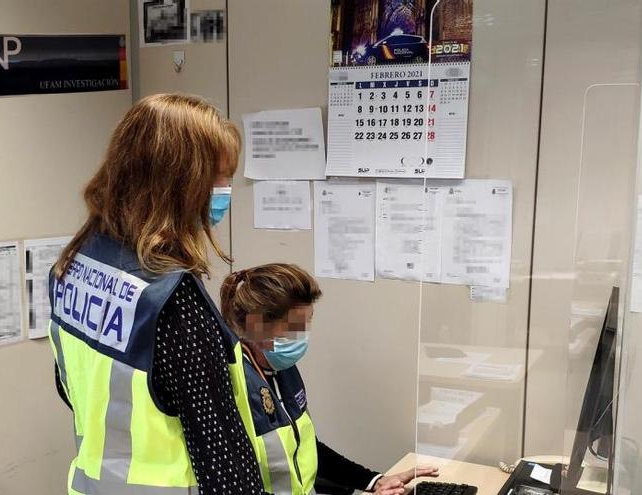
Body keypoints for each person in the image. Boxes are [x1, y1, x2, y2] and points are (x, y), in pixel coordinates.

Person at [48, 93, 266, 494]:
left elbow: (70, 388)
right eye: (218, 177)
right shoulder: (171, 298)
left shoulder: (72, 266)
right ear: (178, 183)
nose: (225, 190)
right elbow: (220, 452)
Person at [219, 263, 439, 495]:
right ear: (257, 326)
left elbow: (307, 448)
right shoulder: (232, 385)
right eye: (295, 326)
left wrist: (374, 481)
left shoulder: (282, 370)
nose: (303, 335)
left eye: (308, 322)